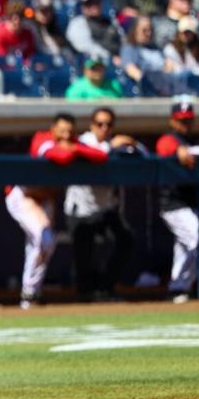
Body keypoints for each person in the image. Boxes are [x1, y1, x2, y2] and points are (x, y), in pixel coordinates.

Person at [7, 113, 107, 309]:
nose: (66, 135)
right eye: (61, 131)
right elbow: (59, 155)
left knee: (39, 246)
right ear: (52, 129)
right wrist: (74, 149)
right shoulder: (41, 139)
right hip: (23, 194)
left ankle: (31, 294)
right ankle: (29, 292)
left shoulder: (73, 142)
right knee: (45, 239)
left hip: (45, 198)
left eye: (70, 131)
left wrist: (74, 147)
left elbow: (101, 155)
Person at [64, 107, 136, 302]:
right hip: (81, 208)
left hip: (105, 207)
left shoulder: (113, 144)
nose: (104, 128)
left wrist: (130, 145)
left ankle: (106, 287)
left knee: (125, 239)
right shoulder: (85, 140)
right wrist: (112, 146)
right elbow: (95, 155)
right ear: (91, 125)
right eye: (100, 124)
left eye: (108, 124)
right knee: (84, 255)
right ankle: (86, 296)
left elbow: (140, 152)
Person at [156, 100, 199, 303]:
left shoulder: (191, 140)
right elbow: (164, 148)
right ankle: (181, 286)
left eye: (188, 120)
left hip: (189, 202)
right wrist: (178, 151)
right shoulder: (169, 138)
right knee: (195, 238)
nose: (185, 124)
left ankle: (178, 287)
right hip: (172, 204)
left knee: (184, 246)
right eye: (181, 120)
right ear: (172, 121)